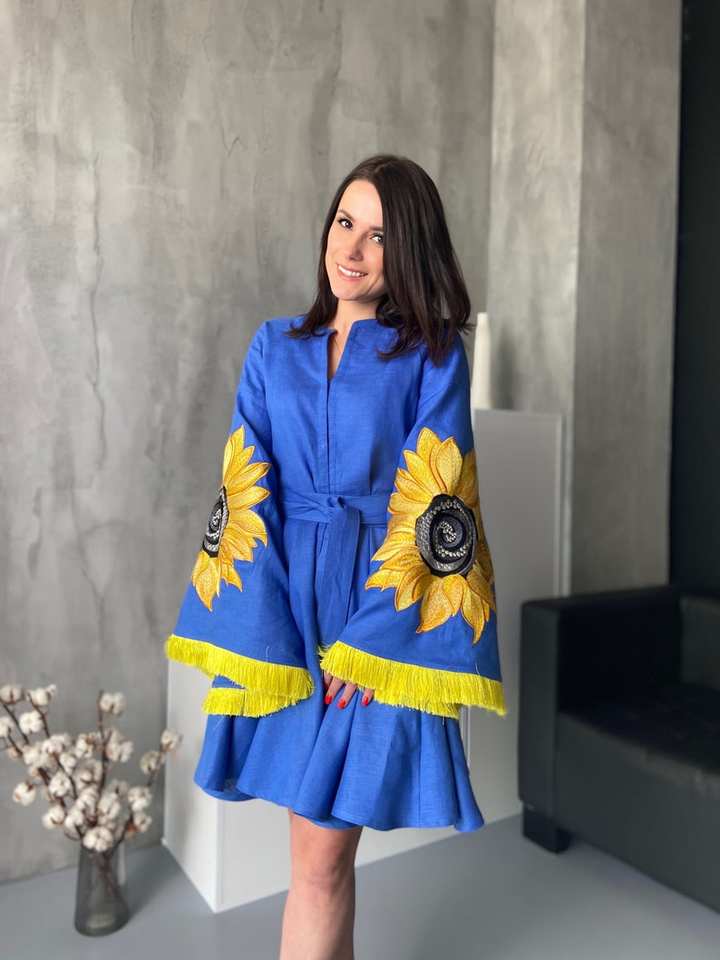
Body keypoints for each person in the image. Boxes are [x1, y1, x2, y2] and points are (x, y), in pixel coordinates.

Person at [164, 154, 506, 960]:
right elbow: (244, 486)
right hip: (284, 611)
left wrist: (374, 646)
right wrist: (266, 631)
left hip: (375, 615)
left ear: (408, 249)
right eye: (345, 222)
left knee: (320, 862)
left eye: (379, 235)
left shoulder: (432, 354)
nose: (352, 248)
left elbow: (440, 496)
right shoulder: (272, 345)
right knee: (315, 862)